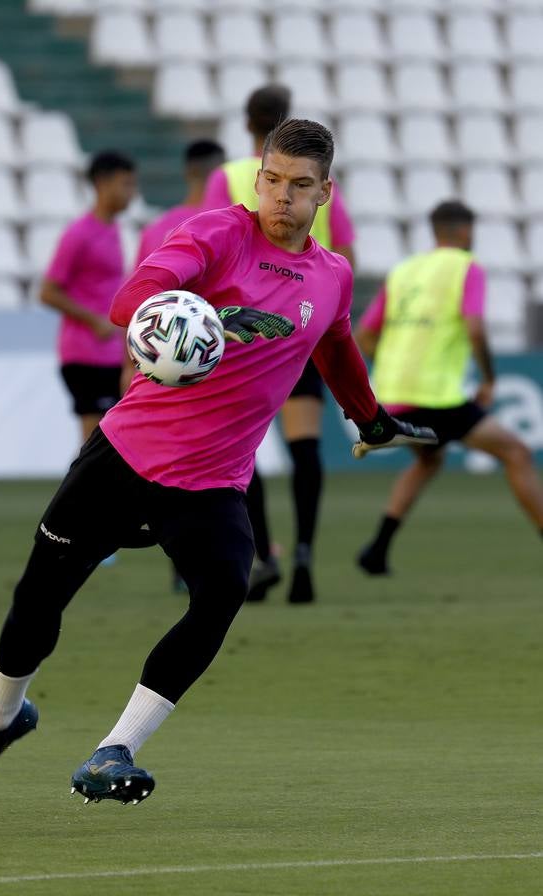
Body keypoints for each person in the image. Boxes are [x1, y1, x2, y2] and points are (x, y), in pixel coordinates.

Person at [0, 119, 435, 807]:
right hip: (124, 457)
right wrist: (210, 319)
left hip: (210, 484)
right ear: (256, 176)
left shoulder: (332, 275)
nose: (280, 197)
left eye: (299, 186)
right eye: (271, 180)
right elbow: (125, 305)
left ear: (325, 192)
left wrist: (371, 419)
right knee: (38, 600)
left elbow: (337, 344)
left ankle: (114, 751)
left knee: (224, 590)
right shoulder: (217, 234)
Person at [204, 85, 356, 605]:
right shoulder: (315, 183)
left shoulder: (228, 178)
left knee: (241, 448)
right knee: (305, 446)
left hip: (245, 330)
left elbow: (205, 244)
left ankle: (263, 557)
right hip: (309, 324)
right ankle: (306, 553)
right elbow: (347, 253)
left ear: (247, 122)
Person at [355, 200, 543, 576]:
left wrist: (393, 369)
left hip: (394, 392)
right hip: (436, 395)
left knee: (429, 461)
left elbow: (364, 335)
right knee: (516, 452)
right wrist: (489, 380)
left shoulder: (404, 270)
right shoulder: (466, 268)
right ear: (464, 231)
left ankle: (376, 550)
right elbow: (474, 328)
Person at [135, 138, 226, 592]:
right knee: (208, 467)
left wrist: (129, 365)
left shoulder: (159, 228)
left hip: (162, 365)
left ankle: (176, 553)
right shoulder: (229, 232)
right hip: (213, 368)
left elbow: (140, 312)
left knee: (167, 462)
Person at [40, 151, 138, 444]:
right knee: (96, 443)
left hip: (111, 354)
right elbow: (48, 291)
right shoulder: (79, 233)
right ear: (102, 184)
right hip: (86, 353)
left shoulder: (114, 230)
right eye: (126, 184)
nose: (131, 193)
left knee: (109, 444)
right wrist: (94, 320)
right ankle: (81, 492)